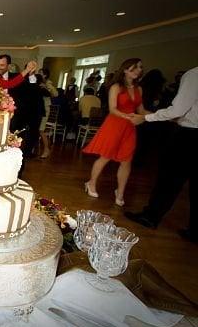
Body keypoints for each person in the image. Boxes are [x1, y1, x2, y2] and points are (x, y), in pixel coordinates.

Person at [125, 66, 197, 243]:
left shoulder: (194, 75)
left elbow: (177, 110)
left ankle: (151, 216)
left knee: (170, 178)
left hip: (190, 136)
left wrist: (146, 118)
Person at [82, 58, 149, 206]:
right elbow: (112, 109)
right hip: (115, 125)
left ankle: (120, 192)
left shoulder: (139, 89)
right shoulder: (116, 87)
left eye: (140, 67)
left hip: (129, 128)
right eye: (135, 67)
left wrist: (153, 116)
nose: (139, 70)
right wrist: (129, 117)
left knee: (127, 161)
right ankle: (91, 183)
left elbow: (141, 110)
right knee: (106, 156)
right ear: (125, 70)